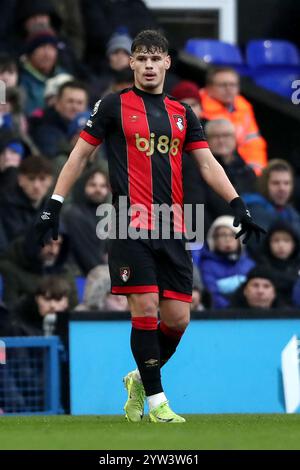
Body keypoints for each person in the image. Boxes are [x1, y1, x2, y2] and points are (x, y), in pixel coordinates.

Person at [35, 30, 265, 424]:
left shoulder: (183, 113)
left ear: (166, 64)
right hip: (127, 223)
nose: (147, 65)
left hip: (175, 226)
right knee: (144, 309)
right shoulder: (112, 106)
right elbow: (79, 156)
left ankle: (140, 378)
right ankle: (157, 403)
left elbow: (207, 164)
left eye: (154, 59)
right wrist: (53, 204)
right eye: (140, 58)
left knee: (178, 319)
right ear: (132, 63)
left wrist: (238, 203)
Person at [200, 67, 268, 174]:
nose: (229, 89)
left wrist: (256, 172)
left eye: (233, 85)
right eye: (223, 85)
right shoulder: (199, 107)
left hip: (240, 167)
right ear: (209, 87)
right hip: (214, 168)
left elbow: (254, 143)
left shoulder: (244, 107)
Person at [197, 215, 255, 309]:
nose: (227, 239)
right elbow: (212, 295)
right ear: (213, 240)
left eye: (233, 235)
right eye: (222, 235)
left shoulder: (249, 265)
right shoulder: (207, 266)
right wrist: (230, 310)